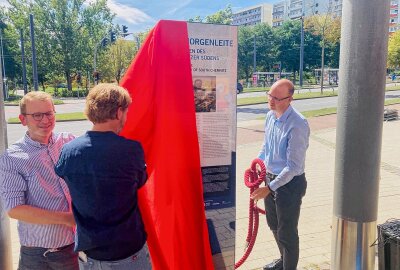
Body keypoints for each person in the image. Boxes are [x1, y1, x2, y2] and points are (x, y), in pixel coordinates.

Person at [54, 83, 151, 269]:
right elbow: (140, 182)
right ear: (119, 112)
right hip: (126, 251)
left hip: (89, 252)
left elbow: (66, 177)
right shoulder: (131, 150)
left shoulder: (69, 151)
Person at [0, 91, 78, 270]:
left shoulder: (68, 142)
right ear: (23, 119)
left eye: (49, 113)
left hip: (72, 248)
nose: (45, 120)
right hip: (39, 256)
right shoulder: (12, 158)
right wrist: (67, 219)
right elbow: (15, 209)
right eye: (37, 115)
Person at [251, 79, 310, 270]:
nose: (271, 101)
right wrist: (257, 163)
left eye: (276, 98)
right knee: (273, 224)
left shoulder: (297, 124)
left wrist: (269, 188)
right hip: (270, 178)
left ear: (289, 99)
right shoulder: (270, 116)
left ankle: (289, 266)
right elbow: (266, 146)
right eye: (270, 95)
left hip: (289, 184)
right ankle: (283, 260)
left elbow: (293, 167)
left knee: (287, 232)